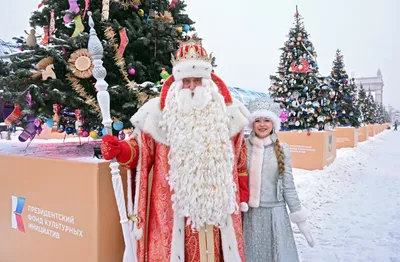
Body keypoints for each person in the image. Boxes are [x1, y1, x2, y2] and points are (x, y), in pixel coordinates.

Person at [101, 39, 250, 262]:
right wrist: (120, 150)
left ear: (208, 81)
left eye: (197, 81)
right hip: (174, 210)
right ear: (177, 82)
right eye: (186, 81)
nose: (191, 87)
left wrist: (243, 196)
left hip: (219, 211)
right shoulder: (158, 115)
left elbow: (240, 160)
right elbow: (141, 151)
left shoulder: (228, 114)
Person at [242, 97, 315, 262]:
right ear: (252, 123)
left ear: (273, 123)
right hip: (251, 216)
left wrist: (300, 220)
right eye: (258, 120)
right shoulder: (243, 148)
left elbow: (288, 186)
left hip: (276, 214)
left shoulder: (282, 150)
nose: (262, 124)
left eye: (267, 120)